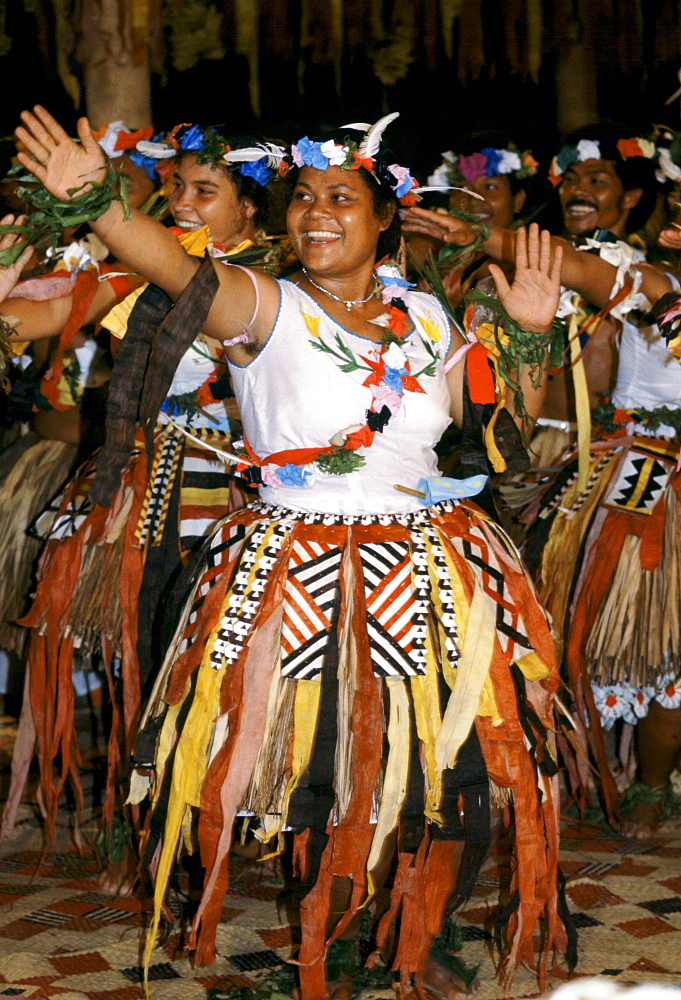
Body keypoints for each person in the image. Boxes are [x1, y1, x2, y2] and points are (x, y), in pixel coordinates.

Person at [10, 105, 569, 999]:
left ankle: (416, 930)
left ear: (382, 216)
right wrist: (99, 205)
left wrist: (530, 340)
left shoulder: (426, 316)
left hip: (426, 563)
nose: (315, 213)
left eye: (340, 198)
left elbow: (498, 429)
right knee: (319, 772)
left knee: (448, 771)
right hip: (299, 566)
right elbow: (166, 261)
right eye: (302, 197)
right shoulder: (260, 304)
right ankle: (332, 945)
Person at [0, 125, 289, 883]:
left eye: (206, 192)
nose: (184, 204)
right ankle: (150, 827)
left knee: (236, 663)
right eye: (179, 188)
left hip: (242, 503)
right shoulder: (142, 277)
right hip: (146, 496)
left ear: (251, 212)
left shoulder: (283, 290)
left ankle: (244, 809)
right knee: (148, 654)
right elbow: (29, 321)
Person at [403, 130, 681, 840]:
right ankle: (604, 772)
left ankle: (650, 783)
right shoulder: (654, 283)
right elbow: (581, 275)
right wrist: (482, 236)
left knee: (665, 641)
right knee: (596, 625)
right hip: (627, 473)